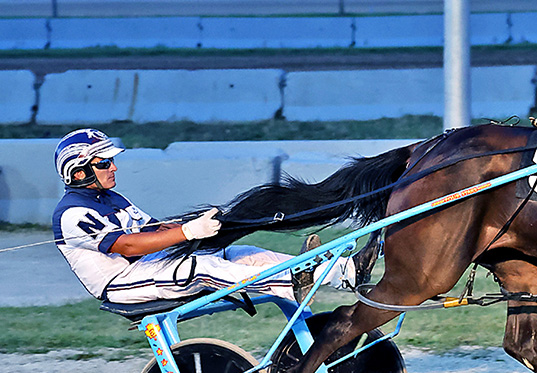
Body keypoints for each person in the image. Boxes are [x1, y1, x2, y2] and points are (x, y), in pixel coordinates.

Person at [51, 128, 352, 305]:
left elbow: (156, 229)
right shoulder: (73, 213)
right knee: (200, 266)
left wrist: (206, 226)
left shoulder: (112, 198)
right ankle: (292, 280)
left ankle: (345, 271)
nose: (113, 167)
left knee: (240, 254)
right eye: (104, 163)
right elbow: (129, 246)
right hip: (121, 283)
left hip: (149, 266)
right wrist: (188, 233)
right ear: (78, 172)